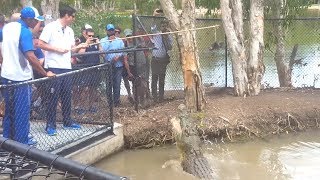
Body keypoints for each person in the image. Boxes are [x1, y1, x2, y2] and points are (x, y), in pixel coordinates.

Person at [0, 7, 55, 145]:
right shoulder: (24, 32)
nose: (37, 24)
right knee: (22, 111)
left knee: (9, 110)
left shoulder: (7, 28)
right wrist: (44, 72)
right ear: (29, 19)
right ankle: (22, 142)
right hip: (20, 78)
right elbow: (30, 56)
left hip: (6, 75)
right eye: (36, 21)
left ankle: (7, 140)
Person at [38, 5, 87, 136]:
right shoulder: (50, 27)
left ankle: (67, 121)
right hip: (54, 67)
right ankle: (50, 125)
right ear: (66, 15)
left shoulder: (70, 30)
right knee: (53, 97)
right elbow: (40, 44)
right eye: (72, 16)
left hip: (66, 67)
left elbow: (72, 49)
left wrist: (80, 46)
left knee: (66, 95)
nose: (73, 19)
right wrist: (57, 49)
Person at [101, 24, 132, 107]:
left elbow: (122, 50)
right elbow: (102, 51)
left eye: (112, 30)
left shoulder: (119, 40)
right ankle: (110, 103)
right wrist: (109, 42)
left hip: (118, 66)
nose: (111, 32)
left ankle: (117, 102)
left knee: (117, 84)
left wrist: (118, 56)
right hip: (108, 65)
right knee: (108, 84)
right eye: (109, 30)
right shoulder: (103, 40)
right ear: (107, 31)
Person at [76, 28, 102, 114]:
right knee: (84, 89)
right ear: (86, 35)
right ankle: (81, 107)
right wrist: (86, 43)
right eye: (89, 35)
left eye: (92, 36)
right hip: (86, 69)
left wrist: (99, 44)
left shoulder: (96, 44)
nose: (91, 37)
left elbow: (103, 53)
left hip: (95, 69)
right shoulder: (83, 44)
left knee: (93, 89)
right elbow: (80, 54)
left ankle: (91, 106)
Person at [150, 10, 173, 102]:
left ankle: (161, 97)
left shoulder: (169, 36)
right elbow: (152, 27)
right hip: (155, 59)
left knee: (162, 79)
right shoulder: (156, 34)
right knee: (154, 78)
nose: (164, 27)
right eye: (163, 26)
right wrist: (154, 16)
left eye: (165, 26)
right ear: (161, 26)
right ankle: (154, 97)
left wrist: (166, 37)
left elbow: (170, 48)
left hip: (163, 60)